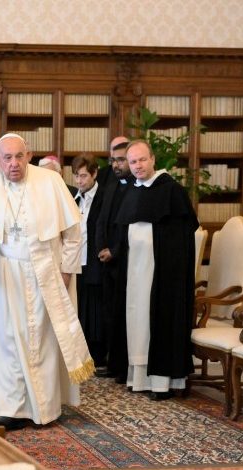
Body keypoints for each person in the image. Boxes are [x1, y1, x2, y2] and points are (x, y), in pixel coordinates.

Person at [0, 133, 93, 431]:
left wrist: (67, 271)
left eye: (19, 156)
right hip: (5, 271)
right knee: (6, 339)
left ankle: (44, 408)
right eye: (7, 158)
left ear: (29, 155)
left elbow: (73, 233)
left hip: (47, 270)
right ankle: (9, 407)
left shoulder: (50, 182)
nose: (13, 164)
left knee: (42, 340)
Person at [111, 140, 198, 400]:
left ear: (153, 160)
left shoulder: (171, 191)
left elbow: (180, 239)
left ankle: (161, 382)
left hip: (162, 274)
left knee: (157, 320)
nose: (137, 166)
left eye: (142, 160)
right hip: (135, 272)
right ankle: (139, 377)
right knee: (137, 320)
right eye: (133, 161)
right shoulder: (132, 191)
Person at [94, 136, 134, 382]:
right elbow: (101, 219)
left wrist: (115, 251)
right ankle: (113, 362)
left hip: (124, 260)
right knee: (109, 313)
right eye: (114, 160)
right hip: (106, 260)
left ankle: (123, 366)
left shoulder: (134, 187)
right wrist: (101, 247)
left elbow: (130, 227)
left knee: (123, 314)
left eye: (121, 160)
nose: (117, 165)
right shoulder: (111, 183)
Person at [70, 153, 107, 373]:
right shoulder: (74, 197)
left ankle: (98, 357)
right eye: (76, 176)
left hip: (96, 261)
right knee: (81, 309)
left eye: (83, 176)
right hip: (78, 262)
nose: (79, 181)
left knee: (96, 313)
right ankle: (82, 357)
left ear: (94, 174)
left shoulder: (104, 196)